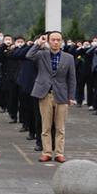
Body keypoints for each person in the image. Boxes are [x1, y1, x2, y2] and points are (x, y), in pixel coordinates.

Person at [26, 31, 76, 163]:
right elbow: (29, 56)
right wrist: (38, 43)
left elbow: (72, 78)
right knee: (46, 126)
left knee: (60, 127)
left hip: (62, 95)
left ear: (62, 41)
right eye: (52, 40)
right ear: (48, 41)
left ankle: (59, 153)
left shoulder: (68, 57)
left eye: (58, 40)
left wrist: (71, 96)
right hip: (45, 93)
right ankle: (46, 152)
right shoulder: (42, 54)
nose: (55, 42)